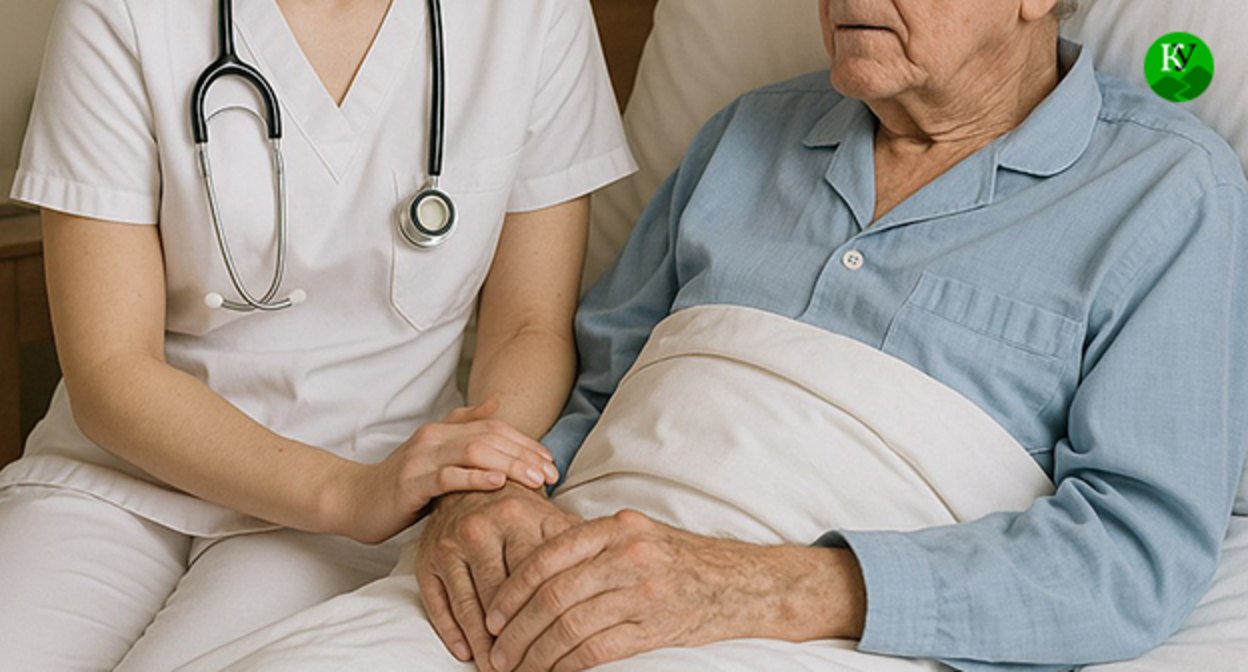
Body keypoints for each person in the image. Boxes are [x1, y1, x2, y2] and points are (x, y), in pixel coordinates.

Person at [414, 0, 1248, 671]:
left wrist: (753, 590)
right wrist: (488, 497)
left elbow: (1132, 557)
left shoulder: (1169, 192)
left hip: (815, 637)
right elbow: (592, 389)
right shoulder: (743, 135)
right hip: (540, 586)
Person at [0, 0, 634, 668]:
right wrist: (346, 494)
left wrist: (471, 468)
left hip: (376, 486)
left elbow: (528, 327)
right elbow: (111, 369)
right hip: (125, 476)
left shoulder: (531, 15)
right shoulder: (124, 11)